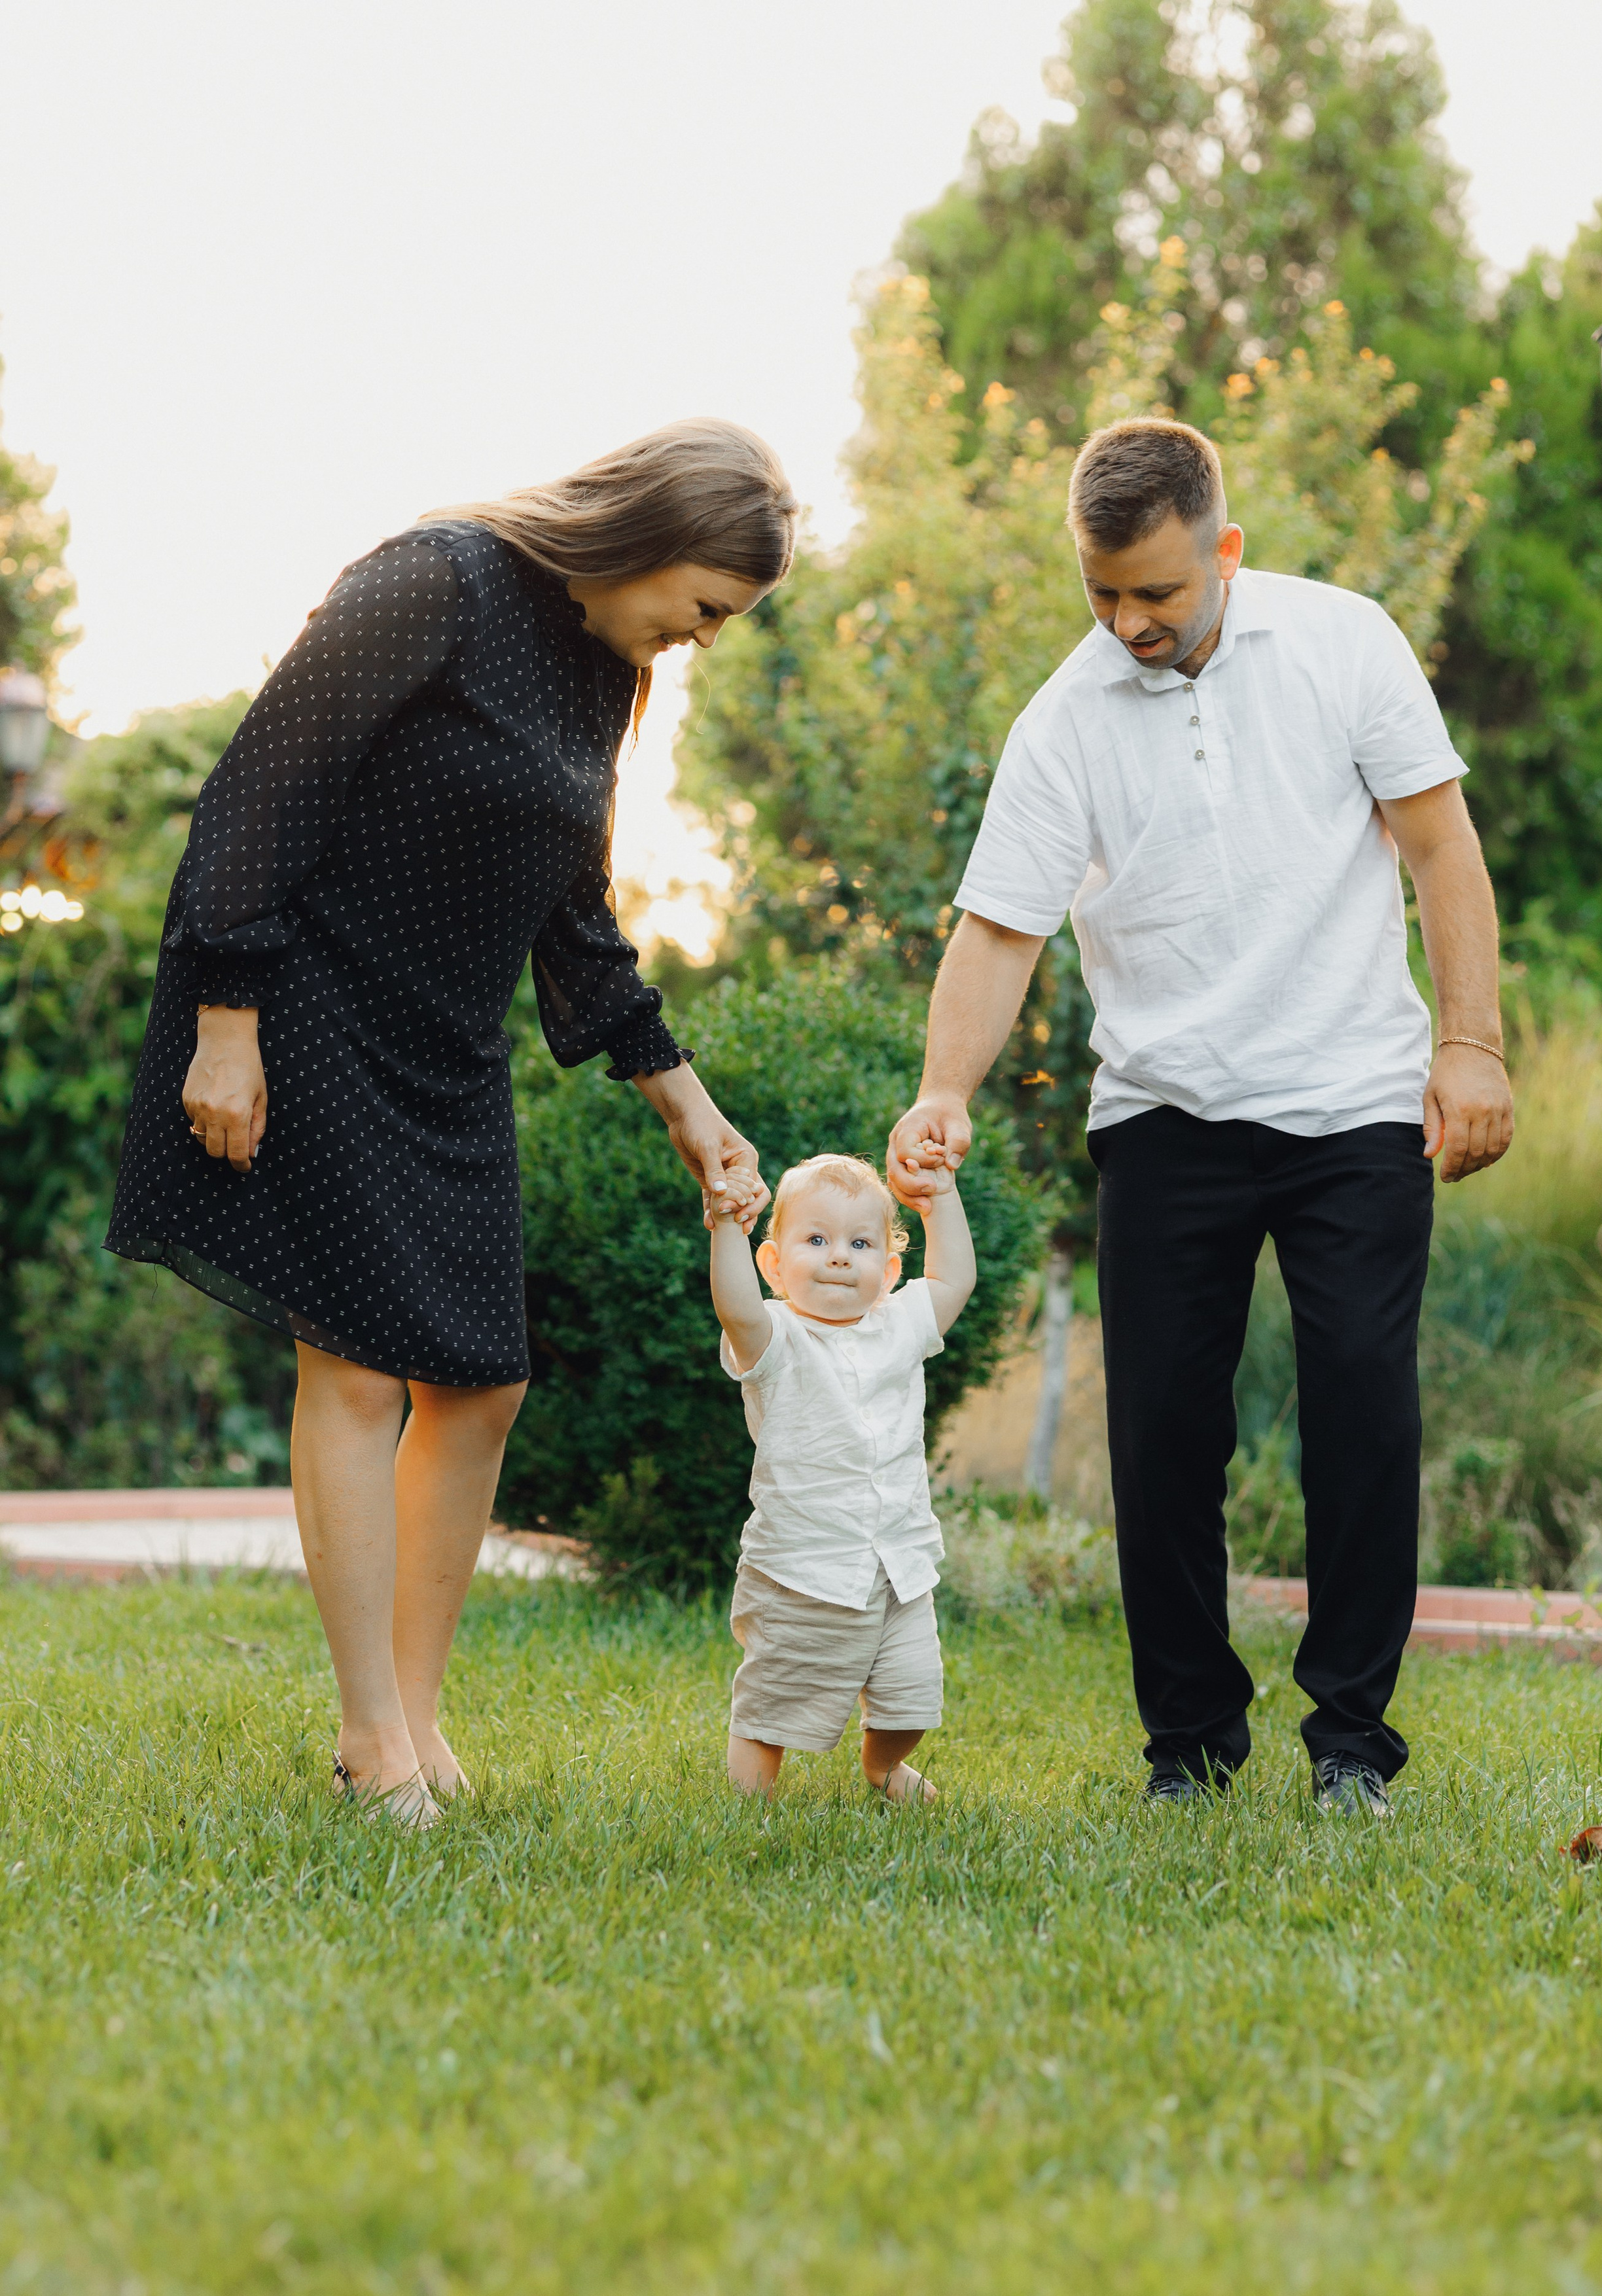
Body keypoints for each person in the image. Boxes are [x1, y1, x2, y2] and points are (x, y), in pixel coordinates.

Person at [107, 419, 791, 1826]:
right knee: (358, 1371)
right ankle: (369, 1737)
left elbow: (571, 913)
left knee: (483, 1382)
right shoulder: (436, 580)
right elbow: (260, 788)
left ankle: (417, 1716)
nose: (702, 638)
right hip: (308, 1008)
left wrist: (686, 1103)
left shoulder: (607, 674)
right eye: (706, 606)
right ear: (643, 535)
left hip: (445, 1046)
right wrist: (224, 1021)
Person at [887, 417, 1514, 1816]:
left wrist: (1468, 1046)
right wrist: (943, 1091)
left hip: (1352, 1098)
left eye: (1157, 594)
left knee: (1359, 1406)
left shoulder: (1344, 644)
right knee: (1162, 1431)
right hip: (1166, 1112)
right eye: (1102, 593)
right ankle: (1188, 1745)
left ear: (1221, 550)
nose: (1127, 623)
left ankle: (1349, 1739)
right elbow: (998, 933)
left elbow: (1437, 847)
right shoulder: (1065, 718)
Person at [709, 1153, 976, 1802]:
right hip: (805, 1568)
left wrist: (940, 1197)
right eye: (816, 1239)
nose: (837, 1257)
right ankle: (752, 1803)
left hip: (898, 1564)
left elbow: (954, 1281)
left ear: (887, 1272)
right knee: (773, 1703)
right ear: (774, 1265)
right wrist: (725, 1227)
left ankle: (882, 1765)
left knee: (910, 1699)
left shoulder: (900, 1326)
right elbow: (736, 1308)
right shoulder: (774, 1338)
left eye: (859, 1243)